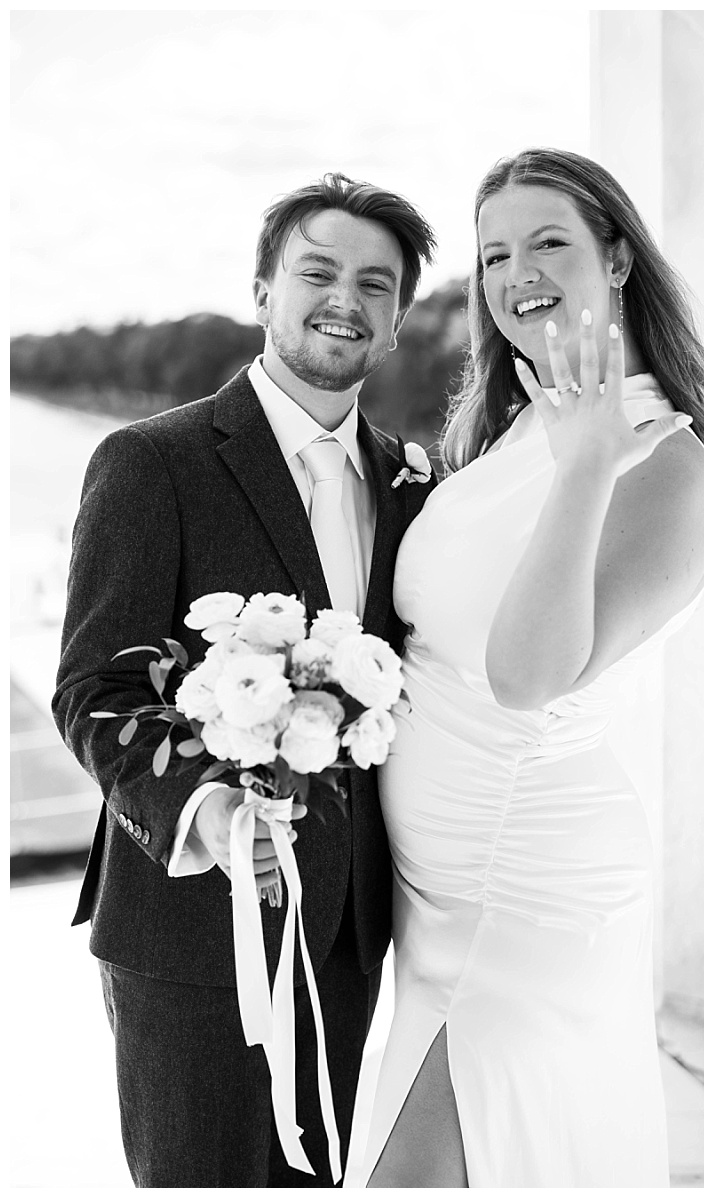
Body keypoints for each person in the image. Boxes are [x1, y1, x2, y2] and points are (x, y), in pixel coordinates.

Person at [343, 148, 704, 1186]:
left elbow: (529, 673)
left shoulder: (665, 457)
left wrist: (585, 465)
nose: (517, 270)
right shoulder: (516, 425)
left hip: (530, 899)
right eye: (493, 254)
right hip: (429, 899)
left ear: (615, 256)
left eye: (548, 241)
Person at [53, 173, 438, 1183]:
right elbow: (94, 686)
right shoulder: (150, 462)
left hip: (350, 931)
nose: (344, 299)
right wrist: (211, 812)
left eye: (376, 283)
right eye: (317, 270)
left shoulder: (416, 486)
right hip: (188, 937)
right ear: (262, 287)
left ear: (397, 321)